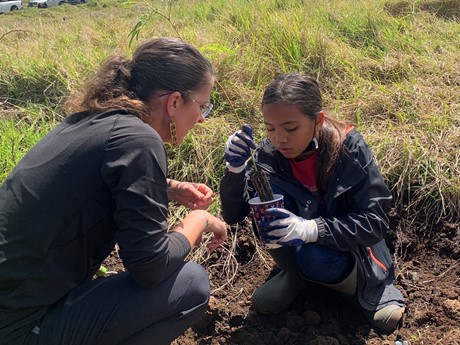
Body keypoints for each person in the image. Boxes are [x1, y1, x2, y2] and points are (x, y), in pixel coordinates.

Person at [0, 37, 228, 345]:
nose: (202, 119)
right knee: (192, 286)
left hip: (12, 299)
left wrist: (169, 188)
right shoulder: (140, 140)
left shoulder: (92, 120)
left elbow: (93, 183)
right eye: (202, 106)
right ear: (174, 103)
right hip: (17, 327)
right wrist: (197, 221)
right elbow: (150, 266)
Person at [220, 73, 405, 333]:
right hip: (294, 254)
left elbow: (374, 223)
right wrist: (235, 170)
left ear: (317, 120)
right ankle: (296, 277)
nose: (279, 139)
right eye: (270, 128)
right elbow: (234, 214)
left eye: (291, 128)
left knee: (315, 256)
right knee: (265, 198)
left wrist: (311, 229)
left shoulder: (349, 148)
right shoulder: (269, 154)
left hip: (350, 253)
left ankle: (369, 290)